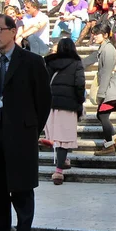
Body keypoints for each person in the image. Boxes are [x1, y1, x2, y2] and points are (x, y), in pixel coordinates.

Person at [0, 13, 51, 231]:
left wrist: (30, 129)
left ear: (13, 31)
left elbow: (43, 101)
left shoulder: (32, 61)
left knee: (21, 190)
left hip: (21, 136)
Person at [44, 38, 85, 185]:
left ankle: (63, 161)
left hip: (51, 104)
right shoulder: (76, 63)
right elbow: (80, 84)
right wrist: (80, 101)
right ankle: (58, 172)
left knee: (56, 137)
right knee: (64, 139)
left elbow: (43, 83)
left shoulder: (49, 62)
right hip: (68, 105)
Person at [90, 21, 116, 156]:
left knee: (103, 116)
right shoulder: (106, 48)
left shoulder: (108, 49)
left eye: (97, 34)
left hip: (112, 90)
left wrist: (101, 93)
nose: (94, 36)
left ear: (105, 35)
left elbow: (106, 73)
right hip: (112, 89)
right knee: (101, 115)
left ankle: (109, 146)